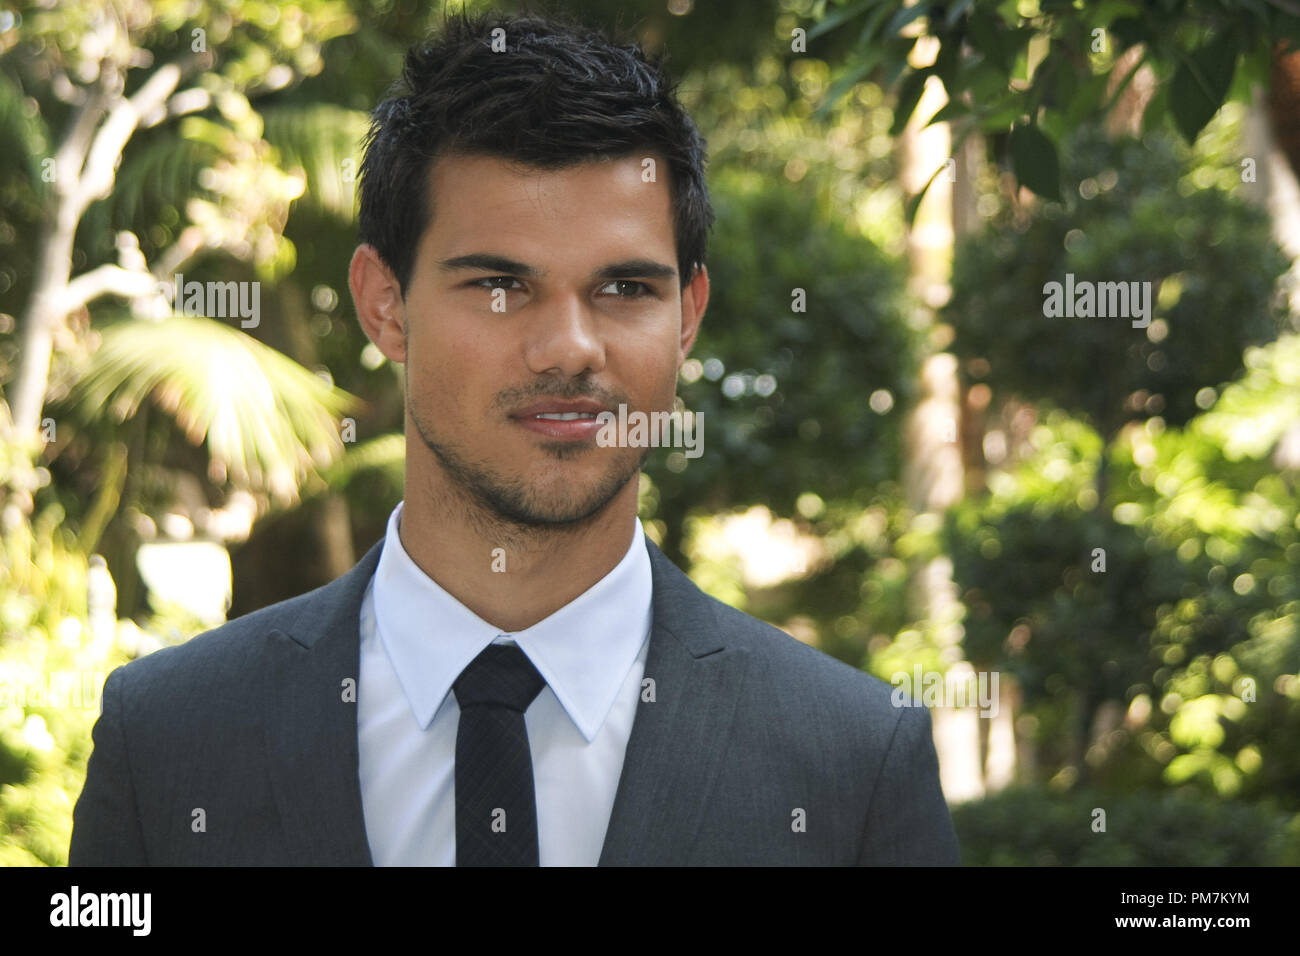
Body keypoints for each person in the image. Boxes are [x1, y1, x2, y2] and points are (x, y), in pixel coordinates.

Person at [69, 9, 960, 866]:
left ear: (688, 315)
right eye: (501, 286)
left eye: (625, 289)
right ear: (385, 306)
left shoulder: (852, 761)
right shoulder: (168, 738)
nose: (570, 348)